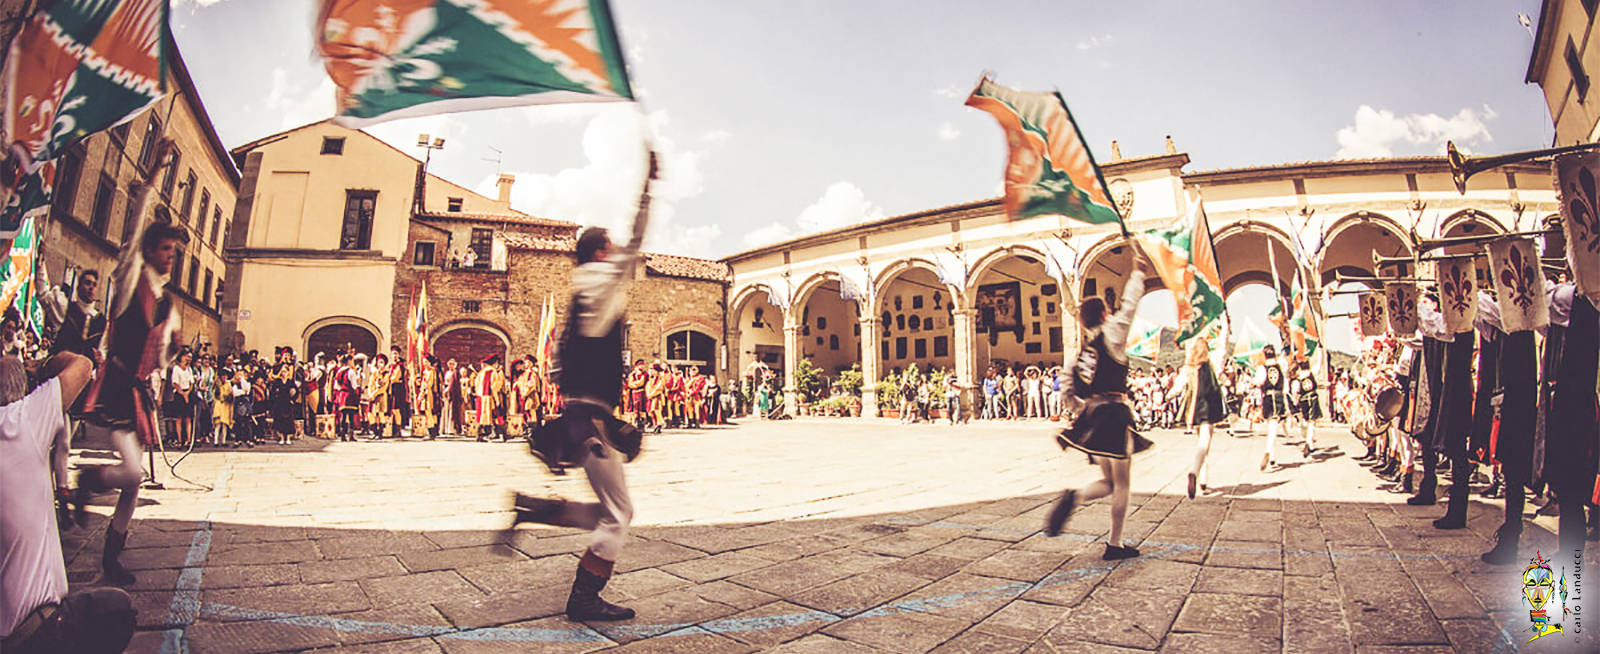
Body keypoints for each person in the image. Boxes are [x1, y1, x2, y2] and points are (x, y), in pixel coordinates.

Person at [512, 154, 656, 622]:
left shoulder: (582, 291)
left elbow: (559, 365)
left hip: (586, 418)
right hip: (591, 422)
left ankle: (536, 509)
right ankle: (583, 599)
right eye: (609, 247)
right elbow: (636, 241)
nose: (617, 253)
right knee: (619, 513)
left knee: (612, 508)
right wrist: (649, 186)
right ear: (599, 252)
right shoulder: (600, 283)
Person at [74, 215, 189, 587]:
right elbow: (134, 229)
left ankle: (111, 558)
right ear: (151, 251)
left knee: (134, 485)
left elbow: (159, 360)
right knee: (132, 473)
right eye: (166, 249)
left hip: (138, 389)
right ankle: (86, 480)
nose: (171, 256)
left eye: (174, 250)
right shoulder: (130, 284)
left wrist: (171, 351)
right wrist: (153, 180)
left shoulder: (166, 300)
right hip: (119, 387)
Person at [2, 352, 137, 654]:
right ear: (21, 394)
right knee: (118, 608)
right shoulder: (19, 423)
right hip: (35, 633)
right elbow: (82, 365)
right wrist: (43, 364)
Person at [1046, 243, 1153, 560]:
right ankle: (1115, 544)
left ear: (1082, 323)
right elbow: (1130, 306)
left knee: (1107, 481)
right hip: (1115, 414)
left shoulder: (1083, 351)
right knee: (1122, 483)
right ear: (1104, 315)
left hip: (1094, 417)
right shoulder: (1111, 335)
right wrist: (1138, 273)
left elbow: (1067, 386)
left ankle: (1076, 497)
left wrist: (1079, 409)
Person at [1182, 331, 1228, 499]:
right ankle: (1194, 472)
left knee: (1202, 444)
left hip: (1195, 407)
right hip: (1210, 405)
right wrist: (1225, 322)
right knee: (1205, 442)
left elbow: (1179, 384)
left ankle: (1203, 482)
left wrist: (1170, 395)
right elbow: (1223, 346)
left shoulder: (1189, 367)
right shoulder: (1213, 362)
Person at [1254, 345, 1290, 471]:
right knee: (1274, 426)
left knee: (1271, 426)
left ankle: (1268, 450)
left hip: (1268, 397)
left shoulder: (1262, 368)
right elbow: (1285, 384)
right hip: (1279, 396)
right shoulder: (1281, 367)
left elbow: (1259, 381)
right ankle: (1272, 457)